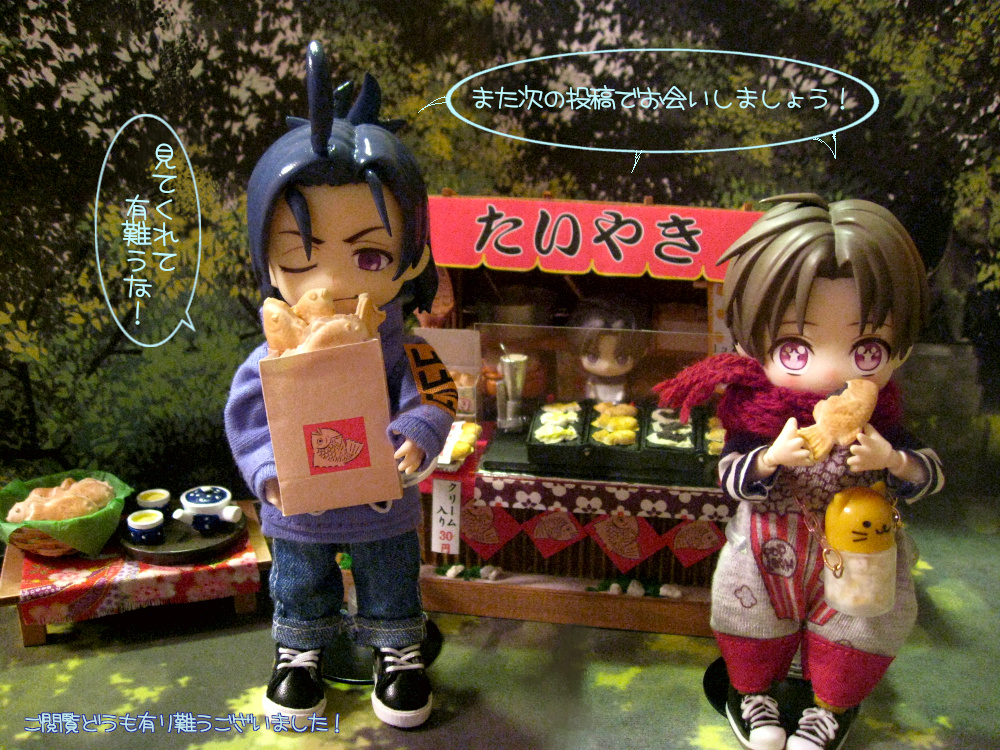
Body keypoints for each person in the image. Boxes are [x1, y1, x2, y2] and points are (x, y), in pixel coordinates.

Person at [654, 194, 944, 750]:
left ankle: (829, 707)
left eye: (867, 349)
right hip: (765, 554)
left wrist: (892, 461)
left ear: (900, 348)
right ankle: (752, 694)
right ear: (750, 341)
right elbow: (730, 477)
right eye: (795, 348)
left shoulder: (882, 422)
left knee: (857, 632)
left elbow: (929, 474)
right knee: (751, 625)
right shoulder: (755, 417)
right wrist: (769, 459)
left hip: (859, 557)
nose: (832, 369)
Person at [225, 42, 454, 729]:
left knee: (390, 575)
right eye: (300, 256)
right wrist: (267, 471)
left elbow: (436, 391)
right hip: (299, 507)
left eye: (369, 255)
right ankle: (300, 653)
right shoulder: (271, 351)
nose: (330, 281)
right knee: (300, 578)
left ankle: (397, 650)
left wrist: (418, 432)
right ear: (268, 261)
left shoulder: (405, 347)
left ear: (409, 259)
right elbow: (247, 414)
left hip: (382, 497)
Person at [568, 297, 650, 403]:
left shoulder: (631, 380)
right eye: (592, 357)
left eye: (622, 359)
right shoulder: (588, 379)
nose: (606, 366)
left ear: (642, 352)